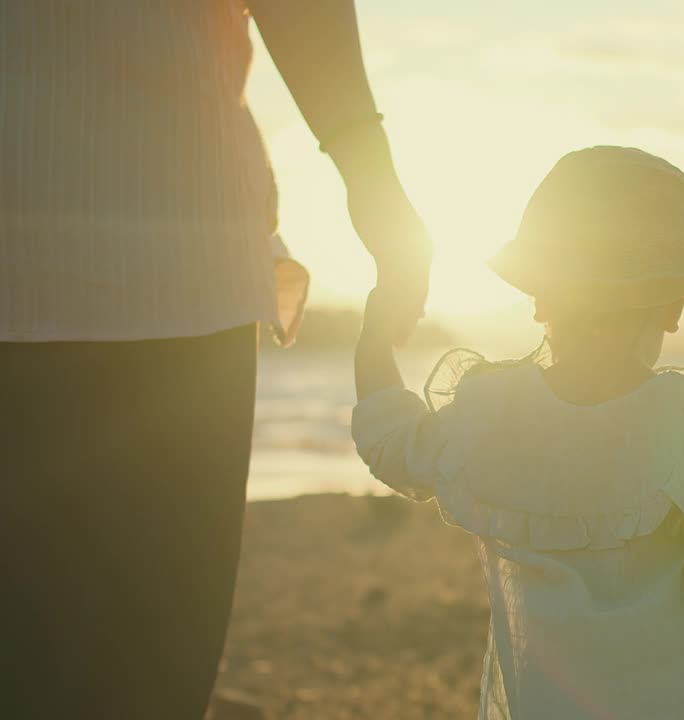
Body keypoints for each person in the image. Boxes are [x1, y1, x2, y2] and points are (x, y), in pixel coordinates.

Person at [0, 1, 428, 717]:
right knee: (143, 670)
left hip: (171, 252)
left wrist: (372, 176)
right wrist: (371, 176)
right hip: (170, 245)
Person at [352, 146, 684, 719]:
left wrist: (373, 342)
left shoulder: (490, 413)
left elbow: (391, 442)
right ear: (673, 306)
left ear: (540, 299)